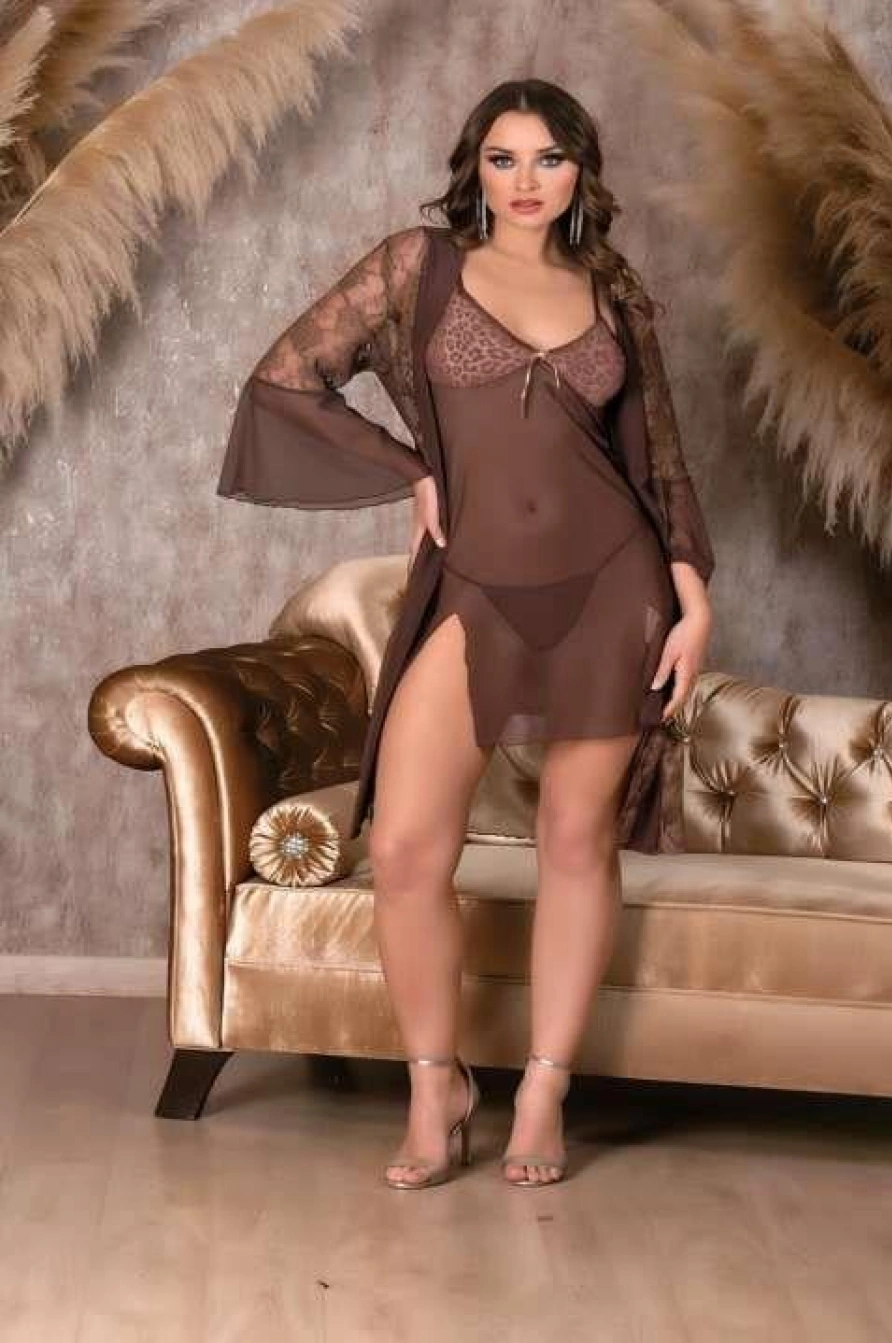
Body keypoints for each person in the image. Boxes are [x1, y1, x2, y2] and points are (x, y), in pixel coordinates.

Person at [218, 79, 715, 1190]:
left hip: (613, 585)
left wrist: (693, 600)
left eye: (549, 159)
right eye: (503, 158)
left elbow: (665, 462)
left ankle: (542, 1088)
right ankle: (434, 1084)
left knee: (576, 841)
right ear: (473, 168)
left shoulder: (613, 291)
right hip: (474, 586)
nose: (526, 181)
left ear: (581, 170)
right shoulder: (418, 268)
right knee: (403, 847)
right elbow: (287, 379)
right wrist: (410, 467)